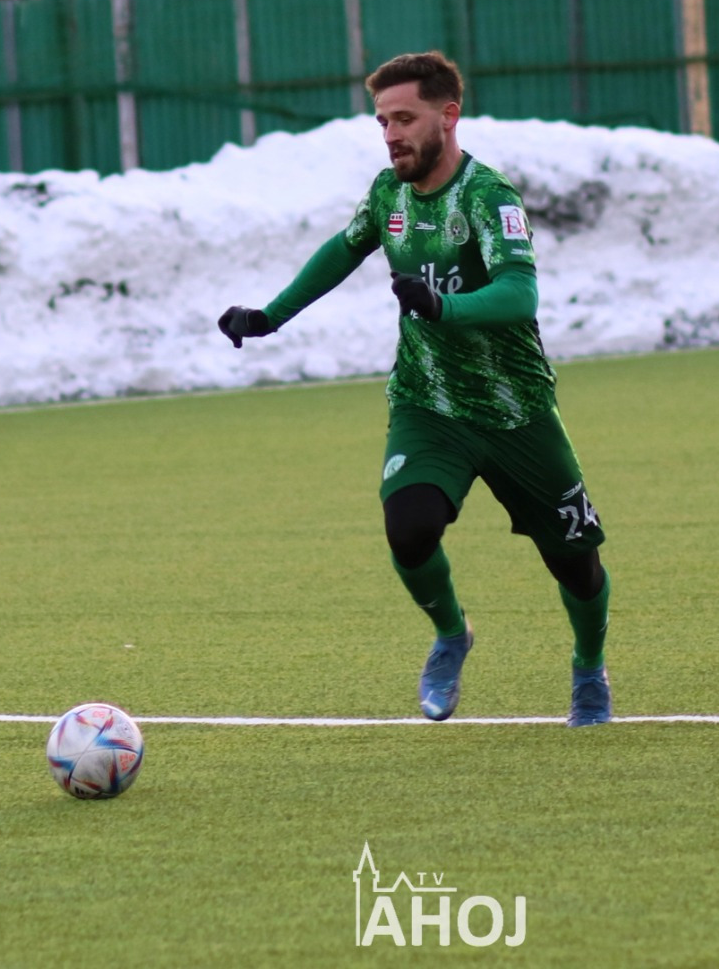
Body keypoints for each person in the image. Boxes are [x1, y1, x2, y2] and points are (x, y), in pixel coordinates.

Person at [218, 51, 612, 727]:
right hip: (427, 403)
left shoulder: (488, 196)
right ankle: (452, 634)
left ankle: (588, 668)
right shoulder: (387, 195)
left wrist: (441, 306)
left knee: (575, 563)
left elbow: (520, 294)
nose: (391, 134)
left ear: (448, 115)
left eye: (404, 119)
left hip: (515, 410)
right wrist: (270, 316)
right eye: (383, 122)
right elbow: (343, 249)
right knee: (409, 529)